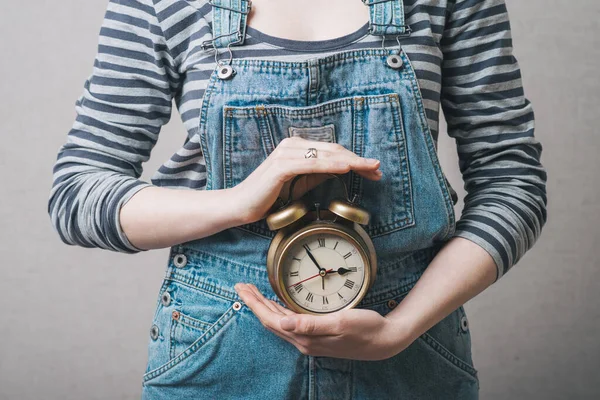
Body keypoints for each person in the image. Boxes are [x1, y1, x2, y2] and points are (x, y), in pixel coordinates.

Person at [47, 0, 548, 398]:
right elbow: (77, 194)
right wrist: (239, 203)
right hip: (218, 355)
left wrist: (400, 327)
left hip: (412, 355)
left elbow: (513, 180)